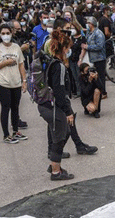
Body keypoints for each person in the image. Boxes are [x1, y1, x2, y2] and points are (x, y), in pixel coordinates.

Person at [37, 30, 74, 181]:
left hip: (45, 104)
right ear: (64, 48)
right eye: (68, 47)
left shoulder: (50, 61)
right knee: (60, 136)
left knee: (61, 133)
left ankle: (54, 164)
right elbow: (59, 91)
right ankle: (56, 171)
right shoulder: (59, 66)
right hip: (52, 106)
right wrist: (68, 111)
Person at [0, 24, 27, 144]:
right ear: (0, 35)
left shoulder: (16, 47)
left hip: (16, 82)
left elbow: (21, 64)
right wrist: (5, 62)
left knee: (16, 108)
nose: (6, 36)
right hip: (3, 83)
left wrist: (24, 81)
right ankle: (6, 135)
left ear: (11, 33)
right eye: (3, 33)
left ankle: (16, 131)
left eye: (8, 33)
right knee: (5, 108)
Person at [85, 17, 107, 97]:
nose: (87, 24)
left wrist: (88, 47)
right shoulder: (89, 32)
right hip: (93, 58)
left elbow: (99, 46)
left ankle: (103, 92)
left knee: (100, 76)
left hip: (99, 58)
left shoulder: (98, 33)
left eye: (89, 23)